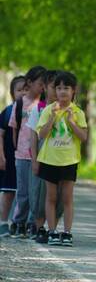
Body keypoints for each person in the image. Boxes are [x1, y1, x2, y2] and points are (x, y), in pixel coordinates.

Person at [36, 71, 88, 246]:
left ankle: (67, 232)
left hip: (69, 160)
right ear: (54, 91)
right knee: (50, 197)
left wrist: (72, 123)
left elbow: (84, 137)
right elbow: (41, 134)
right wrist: (51, 118)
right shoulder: (48, 110)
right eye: (59, 88)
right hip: (50, 159)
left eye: (66, 88)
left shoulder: (77, 112)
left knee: (67, 198)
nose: (62, 91)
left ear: (74, 91)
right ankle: (52, 231)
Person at [27, 70, 64, 243]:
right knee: (39, 193)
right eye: (53, 87)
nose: (57, 91)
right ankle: (39, 227)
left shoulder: (67, 110)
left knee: (59, 194)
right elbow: (33, 136)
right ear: (45, 88)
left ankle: (53, 228)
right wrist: (34, 160)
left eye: (60, 87)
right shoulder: (39, 109)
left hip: (61, 158)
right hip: (42, 157)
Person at [10, 66, 46, 238]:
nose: (43, 87)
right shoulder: (19, 104)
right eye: (40, 83)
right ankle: (19, 222)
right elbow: (14, 129)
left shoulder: (44, 105)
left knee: (35, 192)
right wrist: (17, 148)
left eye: (45, 84)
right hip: (22, 155)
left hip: (39, 155)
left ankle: (33, 223)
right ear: (30, 83)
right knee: (23, 192)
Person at [0, 76, 26, 236]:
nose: (23, 93)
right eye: (19, 90)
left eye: (26, 89)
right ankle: (3, 222)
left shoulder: (33, 112)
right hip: (9, 158)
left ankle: (20, 223)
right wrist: (1, 156)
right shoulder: (8, 111)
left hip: (25, 158)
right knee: (8, 191)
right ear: (12, 93)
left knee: (24, 193)